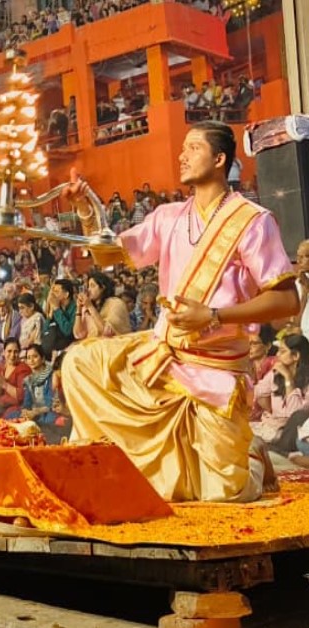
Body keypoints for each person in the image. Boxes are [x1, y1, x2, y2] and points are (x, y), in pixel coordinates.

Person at [63, 121, 299, 502]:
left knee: (225, 493)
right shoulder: (168, 216)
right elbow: (110, 252)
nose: (181, 155)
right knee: (78, 363)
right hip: (164, 355)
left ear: (220, 158)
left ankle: (251, 454)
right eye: (182, 148)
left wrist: (213, 316)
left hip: (216, 368)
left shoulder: (253, 222)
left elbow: (288, 302)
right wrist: (86, 210)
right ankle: (109, 470)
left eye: (192, 148)